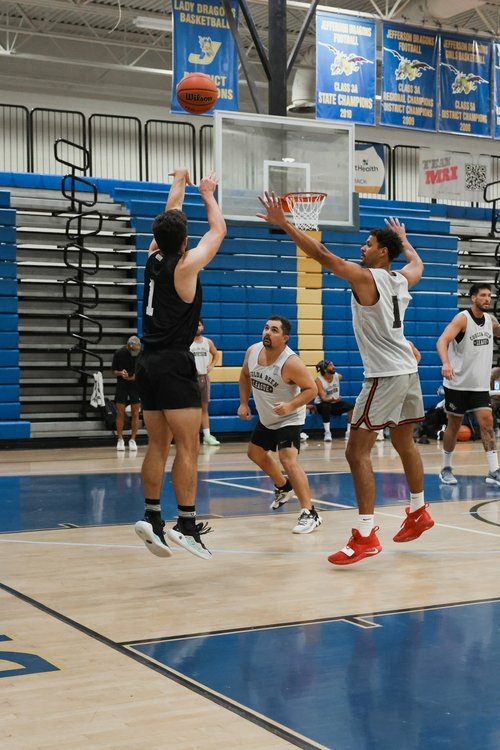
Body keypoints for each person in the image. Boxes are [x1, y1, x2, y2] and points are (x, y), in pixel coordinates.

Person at [257, 194, 434, 564]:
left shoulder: (367, 278)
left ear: (382, 252)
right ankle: (418, 510)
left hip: (385, 375)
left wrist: (285, 224)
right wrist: (405, 241)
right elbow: (418, 264)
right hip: (409, 371)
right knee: (404, 442)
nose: (362, 248)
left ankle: (366, 535)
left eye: (368, 244)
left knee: (356, 452)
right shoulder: (401, 279)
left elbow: (323, 255)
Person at [134, 167, 226, 560]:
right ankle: (186, 526)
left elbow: (170, 213)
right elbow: (218, 231)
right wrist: (207, 193)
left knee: (157, 444)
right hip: (174, 361)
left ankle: (152, 518)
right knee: (188, 446)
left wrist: (179, 180)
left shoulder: (152, 256)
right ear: (185, 241)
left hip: (147, 363)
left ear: (157, 237)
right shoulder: (185, 266)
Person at [238, 315, 323, 534]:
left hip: (289, 417)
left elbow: (312, 389)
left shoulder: (291, 363)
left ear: (285, 338)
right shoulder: (252, 351)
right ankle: (283, 486)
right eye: (266, 328)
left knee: (287, 459)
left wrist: (290, 405)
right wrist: (243, 402)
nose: (267, 332)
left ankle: (310, 513)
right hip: (268, 417)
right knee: (255, 453)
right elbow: (245, 375)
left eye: (274, 330)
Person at [436, 283, 500, 486]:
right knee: (454, 426)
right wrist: (446, 363)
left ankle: (494, 470)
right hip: (457, 384)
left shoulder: (491, 321)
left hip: (479, 385)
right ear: (473, 298)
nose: (487, 299)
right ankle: (446, 468)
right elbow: (442, 341)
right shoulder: (462, 319)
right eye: (483, 295)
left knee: (487, 423)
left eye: (489, 295)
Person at [190, 319, 221, 445]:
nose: (197, 327)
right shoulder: (187, 342)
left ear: (202, 326)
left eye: (199, 324)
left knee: (204, 408)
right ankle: (191, 436)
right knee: (191, 409)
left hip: (204, 378)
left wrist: (212, 365)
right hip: (191, 379)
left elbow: (216, 354)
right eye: (195, 324)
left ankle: (207, 436)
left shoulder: (208, 342)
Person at [111, 335, 142, 451]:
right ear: (128, 347)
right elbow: (113, 371)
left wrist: (136, 376)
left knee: (135, 412)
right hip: (122, 384)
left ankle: (133, 439)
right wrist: (120, 373)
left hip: (135, 384)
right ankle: (120, 439)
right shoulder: (119, 353)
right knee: (120, 412)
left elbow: (144, 370)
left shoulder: (141, 353)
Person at [314, 359, 355, 441]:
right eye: (331, 365)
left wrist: (336, 400)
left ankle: (348, 432)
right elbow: (323, 398)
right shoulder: (318, 380)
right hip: (322, 404)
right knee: (326, 406)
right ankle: (327, 432)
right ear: (325, 370)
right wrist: (332, 399)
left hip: (335, 403)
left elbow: (341, 377)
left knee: (352, 407)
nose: (334, 367)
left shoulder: (336, 376)